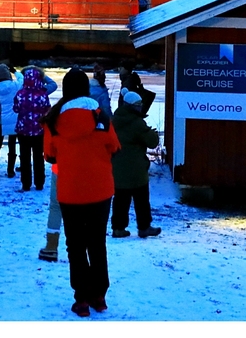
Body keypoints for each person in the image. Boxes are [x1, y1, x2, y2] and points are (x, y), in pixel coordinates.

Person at [43, 68, 121, 317]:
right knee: (97, 242)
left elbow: (50, 155)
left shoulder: (54, 121)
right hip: (100, 190)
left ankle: (82, 297)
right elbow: (115, 147)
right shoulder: (101, 117)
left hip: (71, 191)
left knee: (75, 244)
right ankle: (99, 294)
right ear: (87, 90)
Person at [110, 90, 161, 238]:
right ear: (132, 106)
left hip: (118, 168)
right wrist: (153, 133)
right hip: (136, 169)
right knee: (142, 200)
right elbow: (152, 142)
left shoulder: (114, 120)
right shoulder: (137, 123)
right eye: (138, 105)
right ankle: (144, 227)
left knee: (120, 200)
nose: (141, 107)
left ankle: (118, 228)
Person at [12, 66, 52, 191]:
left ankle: (26, 183)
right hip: (39, 130)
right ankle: (39, 182)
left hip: (23, 129)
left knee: (24, 156)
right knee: (38, 156)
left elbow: (16, 109)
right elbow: (47, 109)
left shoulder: (20, 94)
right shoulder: (43, 94)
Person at [0, 63, 23, 178]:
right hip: (14, 119)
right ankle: (10, 170)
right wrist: (15, 71)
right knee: (12, 145)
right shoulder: (15, 86)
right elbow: (22, 80)